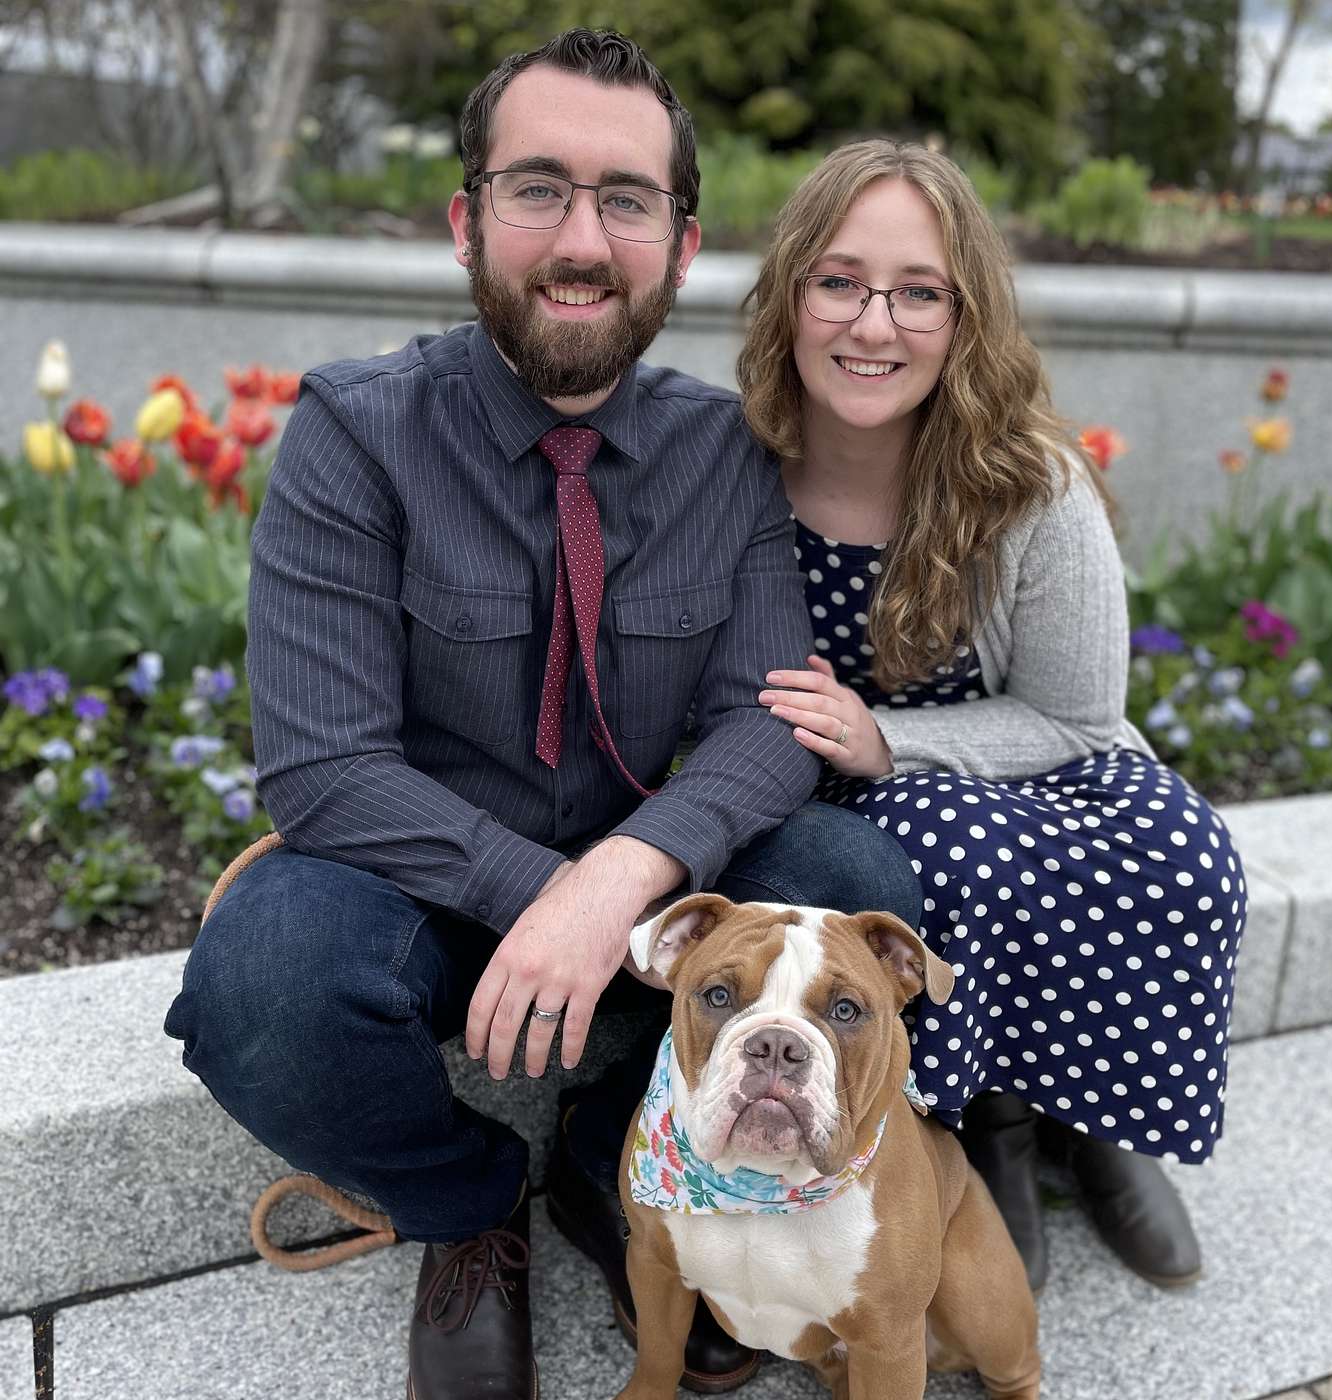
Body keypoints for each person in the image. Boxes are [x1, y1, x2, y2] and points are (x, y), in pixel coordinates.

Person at [163, 36, 921, 1400]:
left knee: (848, 876)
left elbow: (765, 726)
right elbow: (323, 770)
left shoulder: (725, 453)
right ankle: (472, 1208)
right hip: (417, 893)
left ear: (681, 245)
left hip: (646, 897)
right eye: (539, 190)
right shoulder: (355, 433)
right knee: (259, 994)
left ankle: (608, 1153)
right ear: (468, 220)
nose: (584, 239)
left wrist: (621, 885)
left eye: (627, 199)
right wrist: (543, 894)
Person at [736, 139, 1246, 1293]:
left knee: (1186, 853)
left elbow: (1075, 717)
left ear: (966, 317)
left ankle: (1100, 1125)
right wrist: (868, 755)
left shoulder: (1027, 482)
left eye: (918, 292)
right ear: (790, 293)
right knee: (941, 851)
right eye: (839, 281)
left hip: (1031, 755)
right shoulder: (737, 464)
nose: (874, 323)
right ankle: (990, 1122)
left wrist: (891, 735)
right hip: (854, 795)